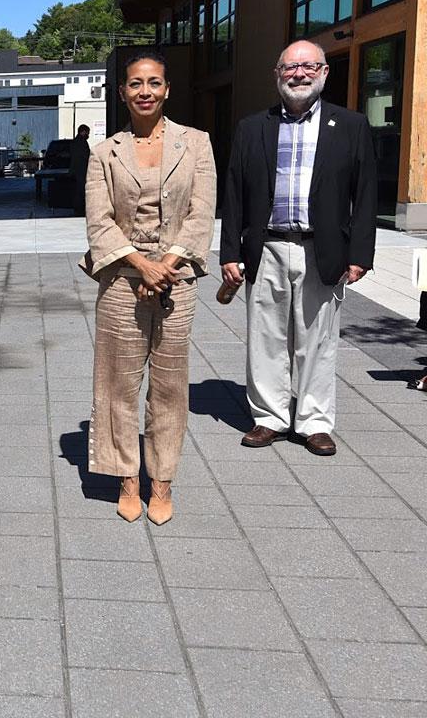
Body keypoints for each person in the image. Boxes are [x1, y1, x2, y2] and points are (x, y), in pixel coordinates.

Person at [220, 40, 376, 456]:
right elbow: (233, 193)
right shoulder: (253, 128)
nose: (299, 74)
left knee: (318, 340)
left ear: (324, 73)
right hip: (267, 247)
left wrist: (360, 253)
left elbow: (365, 194)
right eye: (290, 67)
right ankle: (269, 417)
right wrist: (229, 252)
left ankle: (313, 422)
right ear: (277, 75)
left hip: (321, 249)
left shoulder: (350, 125)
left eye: (309, 66)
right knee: (266, 338)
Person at [80, 51, 216, 525]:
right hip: (121, 280)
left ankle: (162, 481)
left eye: (153, 83)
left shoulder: (196, 144)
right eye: (135, 84)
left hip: (178, 281)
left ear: (167, 89)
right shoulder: (105, 152)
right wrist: (141, 264)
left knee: (170, 385)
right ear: (122, 92)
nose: (144, 92)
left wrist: (167, 264)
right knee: (118, 384)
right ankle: (127, 478)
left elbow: (201, 216)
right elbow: (98, 223)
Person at [69, 123, 91, 215]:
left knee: (79, 190)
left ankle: (79, 209)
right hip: (81, 170)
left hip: (78, 170)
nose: (88, 135)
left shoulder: (76, 142)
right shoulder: (81, 142)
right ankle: (80, 209)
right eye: (87, 133)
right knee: (81, 191)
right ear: (83, 132)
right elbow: (84, 156)